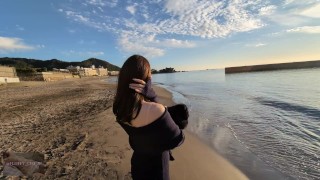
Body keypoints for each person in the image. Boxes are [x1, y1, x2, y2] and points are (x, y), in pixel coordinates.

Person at [113, 55, 185, 180]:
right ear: (145, 79)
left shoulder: (119, 109)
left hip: (138, 165)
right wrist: (152, 95)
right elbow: (178, 139)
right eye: (149, 74)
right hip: (157, 170)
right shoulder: (155, 109)